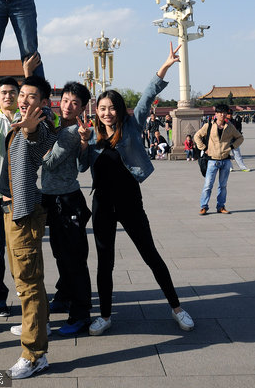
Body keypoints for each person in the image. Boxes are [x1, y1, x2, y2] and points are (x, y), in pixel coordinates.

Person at [78, 44, 194, 336]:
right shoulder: (91, 135)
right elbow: (81, 167)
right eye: (102, 108)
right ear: (97, 110)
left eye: (111, 107)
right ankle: (104, 316)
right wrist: (82, 143)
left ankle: (177, 308)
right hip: (102, 204)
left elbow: (147, 95)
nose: (107, 113)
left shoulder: (131, 125)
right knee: (105, 263)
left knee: (151, 255)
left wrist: (165, 65)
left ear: (119, 108)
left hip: (130, 202)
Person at [0, 76, 56, 379]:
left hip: (23, 214)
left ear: (43, 103)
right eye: (22, 95)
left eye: (32, 97)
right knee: (28, 280)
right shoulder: (18, 124)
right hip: (13, 211)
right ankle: (40, 327)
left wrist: (30, 126)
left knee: (27, 284)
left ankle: (33, 354)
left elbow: (38, 134)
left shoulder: (39, 127)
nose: (23, 100)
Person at [41, 81, 93, 335]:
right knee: (61, 254)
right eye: (65, 101)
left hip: (67, 200)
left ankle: (81, 313)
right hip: (53, 198)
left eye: (75, 103)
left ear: (82, 107)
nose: (68, 106)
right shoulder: (60, 127)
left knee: (74, 258)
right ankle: (64, 295)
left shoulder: (71, 132)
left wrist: (35, 141)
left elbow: (49, 162)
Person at [0, 76, 21, 317]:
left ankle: (23, 288)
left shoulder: (26, 119)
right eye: (3, 93)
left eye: (12, 92)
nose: (8, 96)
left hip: (21, 192)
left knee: (21, 247)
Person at [194, 104, 244, 215]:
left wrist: (231, 147)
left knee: (223, 185)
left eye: (224, 113)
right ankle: (204, 206)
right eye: (220, 112)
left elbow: (240, 137)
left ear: (226, 114)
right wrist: (204, 148)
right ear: (216, 114)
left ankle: (221, 206)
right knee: (208, 185)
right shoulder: (209, 126)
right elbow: (197, 136)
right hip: (212, 160)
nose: (222, 115)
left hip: (225, 160)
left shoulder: (230, 127)